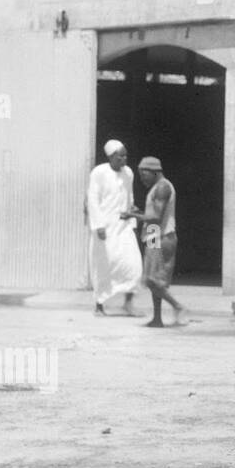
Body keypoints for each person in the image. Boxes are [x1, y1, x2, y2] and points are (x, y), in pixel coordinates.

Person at [122, 156, 185, 328]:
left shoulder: (163, 187)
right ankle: (157, 318)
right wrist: (139, 212)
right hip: (153, 234)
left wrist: (132, 215)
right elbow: (152, 216)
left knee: (152, 280)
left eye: (145, 174)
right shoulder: (156, 188)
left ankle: (177, 306)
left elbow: (155, 217)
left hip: (162, 235)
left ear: (155, 171)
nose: (143, 178)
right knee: (152, 279)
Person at [86, 140, 142, 316]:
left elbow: (129, 195)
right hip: (105, 226)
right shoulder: (99, 172)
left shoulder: (128, 173)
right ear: (111, 157)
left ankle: (128, 303)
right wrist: (98, 225)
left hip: (124, 226)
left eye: (126, 155)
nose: (124, 159)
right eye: (121, 156)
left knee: (133, 264)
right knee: (104, 266)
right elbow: (92, 199)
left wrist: (132, 215)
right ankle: (99, 305)